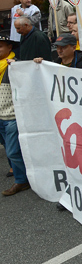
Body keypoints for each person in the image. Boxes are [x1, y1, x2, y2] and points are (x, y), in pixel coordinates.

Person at [0, 32, 29, 196]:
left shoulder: (14, 66)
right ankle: (22, 174)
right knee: (9, 149)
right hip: (0, 116)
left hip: (11, 116)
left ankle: (21, 181)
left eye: (0, 46)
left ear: (9, 47)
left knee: (12, 151)